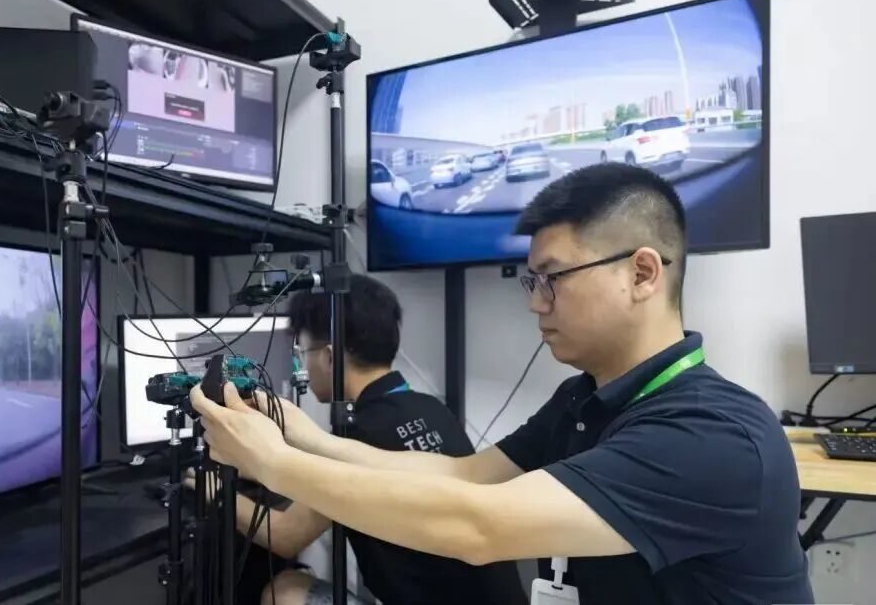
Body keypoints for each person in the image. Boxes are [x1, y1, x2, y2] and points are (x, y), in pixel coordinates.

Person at [192, 163, 815, 605]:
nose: (536, 303)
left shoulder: (709, 434)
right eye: (531, 282)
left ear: (643, 274)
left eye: (553, 279)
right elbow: (466, 475)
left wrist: (271, 463)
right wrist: (305, 438)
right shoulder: (584, 398)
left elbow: (478, 526)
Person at [189, 274, 525, 605]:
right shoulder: (432, 408)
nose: (301, 364)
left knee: (285, 592)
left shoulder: (359, 433)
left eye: (303, 351)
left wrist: (215, 490)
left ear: (329, 356)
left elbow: (286, 535)